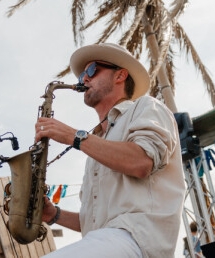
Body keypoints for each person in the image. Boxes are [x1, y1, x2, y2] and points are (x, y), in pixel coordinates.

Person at [35, 43, 185, 258]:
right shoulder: (97, 143)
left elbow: (141, 162)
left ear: (120, 75)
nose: (84, 79)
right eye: (81, 76)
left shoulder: (146, 107)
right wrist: (53, 214)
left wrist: (72, 136)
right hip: (106, 241)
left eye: (92, 70)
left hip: (138, 241)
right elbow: (92, 220)